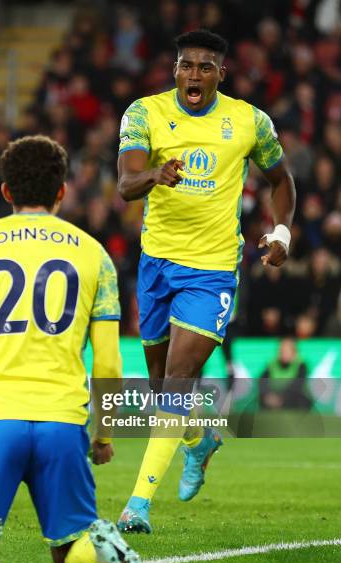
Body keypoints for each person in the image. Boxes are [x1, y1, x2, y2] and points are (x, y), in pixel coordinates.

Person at [0, 136, 143, 563]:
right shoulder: (95, 256)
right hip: (63, 425)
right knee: (70, 553)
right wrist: (102, 435)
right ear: (62, 191)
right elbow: (108, 363)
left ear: (5, 191)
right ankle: (100, 546)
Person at [116, 30, 296, 533]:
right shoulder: (144, 113)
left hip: (213, 269)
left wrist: (281, 231)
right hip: (156, 263)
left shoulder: (248, 121)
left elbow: (281, 180)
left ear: (222, 74)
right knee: (160, 386)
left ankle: (137, 506)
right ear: (174, 70)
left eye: (204, 67)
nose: (193, 75)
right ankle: (200, 440)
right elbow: (125, 183)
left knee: (176, 380)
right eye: (185, 66)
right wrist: (153, 175)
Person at [259, 338, 312, 411]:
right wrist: (269, 395)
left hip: (292, 398)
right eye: (282, 351)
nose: (284, 354)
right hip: (274, 395)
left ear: (294, 352)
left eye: (287, 351)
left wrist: (281, 397)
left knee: (301, 399)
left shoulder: (301, 365)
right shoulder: (272, 364)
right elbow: (262, 382)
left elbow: (298, 385)